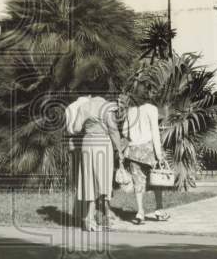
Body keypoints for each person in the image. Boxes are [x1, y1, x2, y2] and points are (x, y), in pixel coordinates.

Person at [65, 95, 125, 231]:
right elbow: (113, 130)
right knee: (104, 180)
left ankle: (89, 219)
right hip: (103, 144)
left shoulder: (84, 106)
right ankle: (106, 217)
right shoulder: (107, 107)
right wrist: (119, 150)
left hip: (87, 143)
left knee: (89, 181)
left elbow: (76, 128)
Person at [117, 93, 170, 225]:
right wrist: (159, 154)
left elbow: (124, 132)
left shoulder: (131, 111)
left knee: (138, 182)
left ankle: (140, 212)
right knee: (157, 179)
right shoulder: (151, 109)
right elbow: (155, 132)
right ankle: (159, 209)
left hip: (134, 150)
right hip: (149, 150)